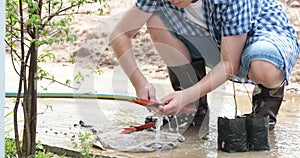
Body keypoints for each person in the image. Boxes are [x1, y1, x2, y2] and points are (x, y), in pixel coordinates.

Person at [109, 0, 300, 133]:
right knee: (155, 20)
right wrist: (139, 82)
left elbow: (229, 64)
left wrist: (185, 95)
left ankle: (263, 116)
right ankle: (193, 112)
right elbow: (119, 34)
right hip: (218, 40)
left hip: (261, 37)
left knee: (264, 68)